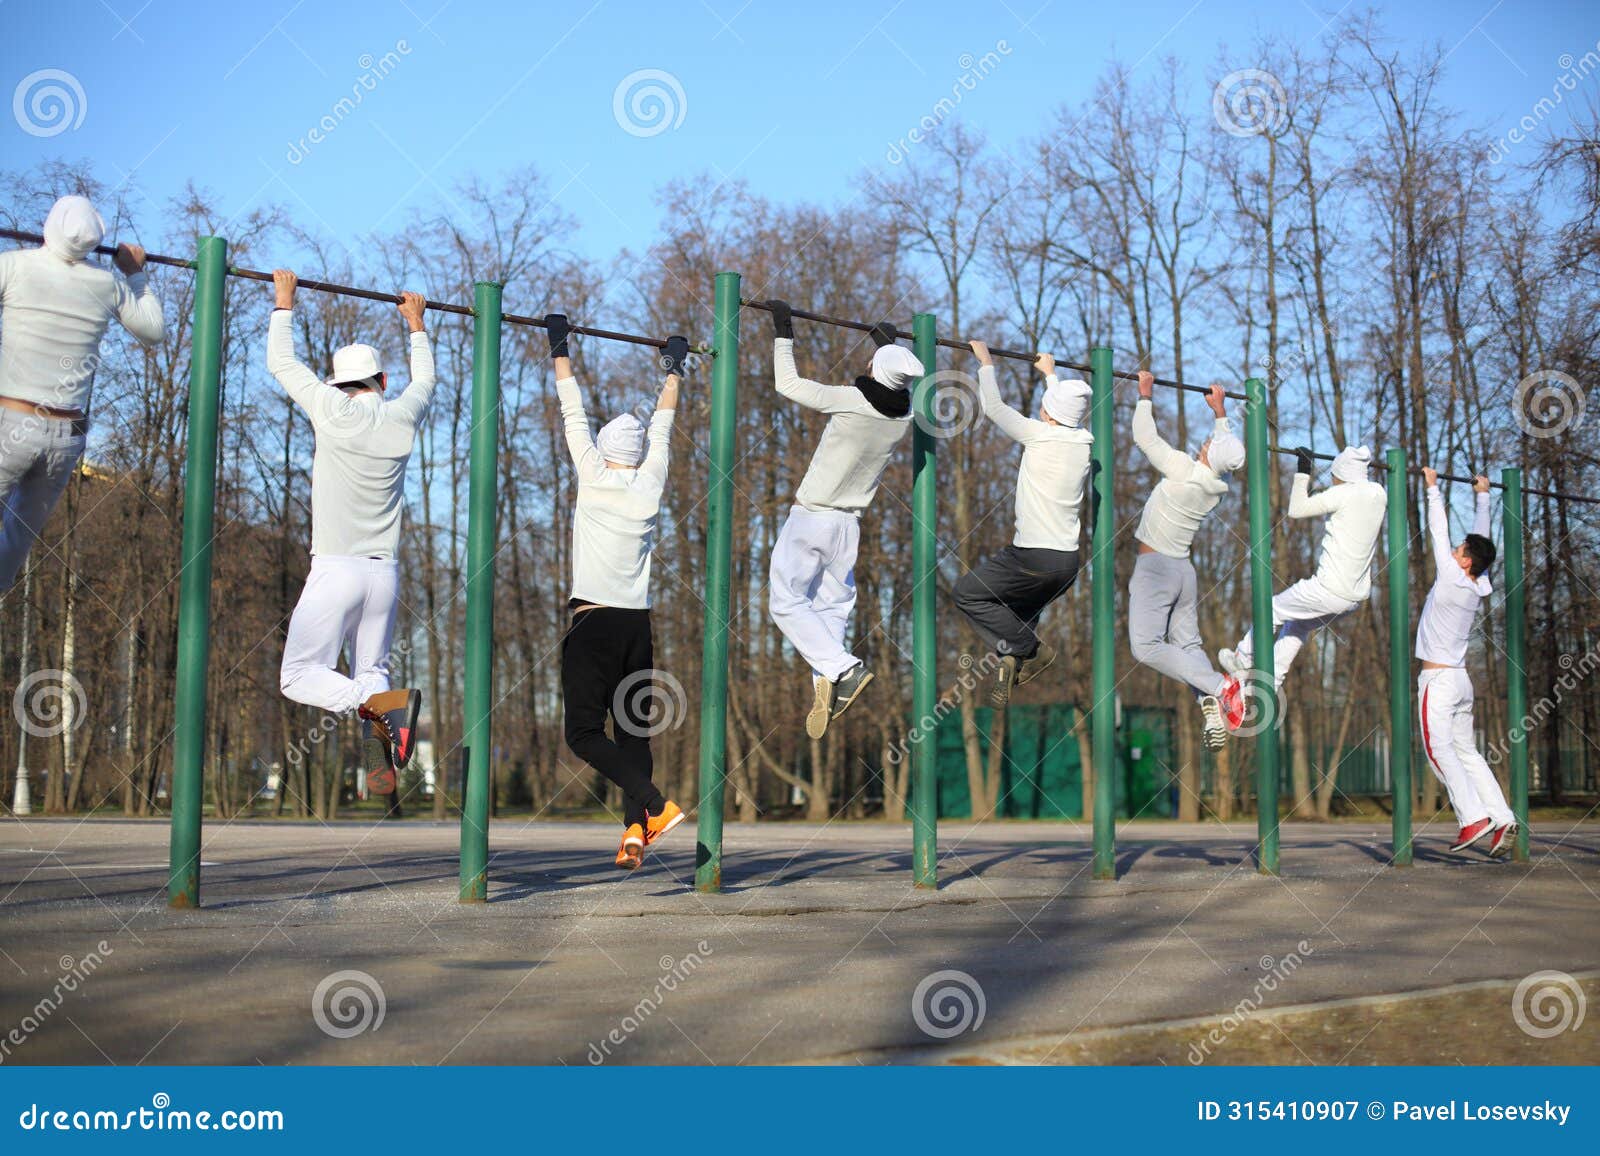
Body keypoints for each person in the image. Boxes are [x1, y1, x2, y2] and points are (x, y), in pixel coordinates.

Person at [268, 269, 428, 799]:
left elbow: (282, 363)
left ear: (340, 385)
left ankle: (379, 708)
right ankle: (384, 752)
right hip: (384, 573)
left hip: (337, 567)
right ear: (383, 382)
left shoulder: (331, 409)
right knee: (374, 667)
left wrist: (284, 303)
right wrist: (416, 326)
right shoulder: (403, 417)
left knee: (298, 675)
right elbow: (424, 383)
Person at [548, 314, 691, 870]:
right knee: (633, 735)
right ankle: (635, 830)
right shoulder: (650, 481)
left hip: (594, 624)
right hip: (637, 627)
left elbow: (571, 411)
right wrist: (674, 367)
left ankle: (655, 805)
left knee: (583, 733)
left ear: (605, 450)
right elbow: (662, 427)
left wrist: (559, 344)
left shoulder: (592, 474)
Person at [763, 300, 920, 739]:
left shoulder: (851, 400)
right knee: (831, 607)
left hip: (813, 517)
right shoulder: (904, 416)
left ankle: (843, 669)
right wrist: (887, 347)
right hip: (849, 526)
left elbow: (787, 383)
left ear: (874, 370)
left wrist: (783, 329)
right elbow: (890, 384)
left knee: (786, 601)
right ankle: (827, 678)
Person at [0, 195, 165, 591]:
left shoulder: (15, 266)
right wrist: (135, 275)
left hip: (12, 423)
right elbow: (153, 330)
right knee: (16, 541)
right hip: (66, 434)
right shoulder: (107, 284)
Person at [953, 342, 1093, 706]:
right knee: (1014, 612)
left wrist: (986, 364)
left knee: (967, 594)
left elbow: (995, 407)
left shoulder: (1038, 434)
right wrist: (1051, 377)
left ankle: (1030, 650)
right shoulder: (1081, 442)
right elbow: (1063, 416)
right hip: (1066, 566)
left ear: (1046, 415)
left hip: (1031, 558)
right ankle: (1012, 656)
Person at [1126, 371, 1247, 749]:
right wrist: (1220, 413)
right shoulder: (1214, 486)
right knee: (1189, 647)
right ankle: (1210, 701)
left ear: (1209, 455)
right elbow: (1228, 449)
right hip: (1183, 572)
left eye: (1210, 442)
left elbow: (1145, 438)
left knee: (1144, 647)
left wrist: (1144, 395)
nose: (1206, 442)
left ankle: (1218, 686)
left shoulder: (1184, 469)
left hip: (1156, 569)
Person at [1220, 443, 1386, 693]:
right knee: (1298, 624)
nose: (1331, 480)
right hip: (1353, 599)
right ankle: (1270, 682)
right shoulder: (1378, 493)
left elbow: (1296, 510)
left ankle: (1243, 658)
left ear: (1342, 474)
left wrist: (1303, 471)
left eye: (1333, 475)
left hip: (1328, 590)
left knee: (1271, 608)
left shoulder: (1343, 494)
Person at [1415, 468, 1514, 855]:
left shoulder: (1452, 577)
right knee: (1467, 753)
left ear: (1464, 563)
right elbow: (1482, 543)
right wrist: (1484, 496)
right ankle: (1502, 817)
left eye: (1459, 552)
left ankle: (1472, 817)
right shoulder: (1478, 583)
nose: (1453, 551)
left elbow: (1438, 531)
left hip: (1438, 683)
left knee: (1437, 751)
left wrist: (1432, 487)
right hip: (1460, 681)